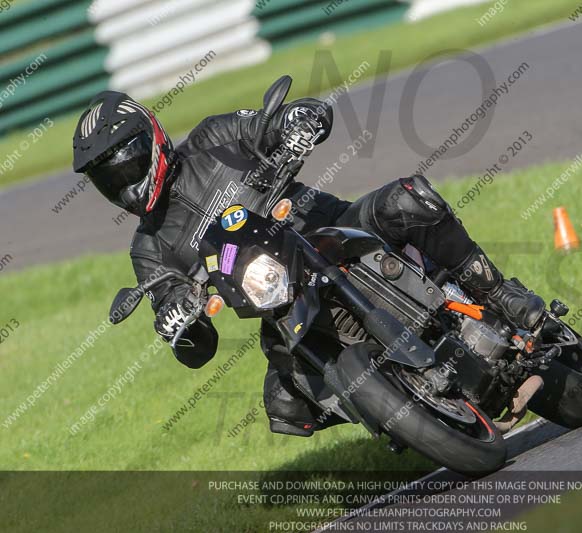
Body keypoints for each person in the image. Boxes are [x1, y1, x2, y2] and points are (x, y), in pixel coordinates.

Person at [72, 87, 545, 437]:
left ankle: (496, 291)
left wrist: (300, 121)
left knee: (408, 200)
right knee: (284, 402)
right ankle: (401, 411)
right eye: (109, 180)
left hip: (334, 230)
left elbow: (285, 119)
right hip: (278, 299)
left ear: (151, 139)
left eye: (127, 168)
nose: (126, 187)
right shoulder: (148, 248)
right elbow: (194, 344)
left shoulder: (214, 137)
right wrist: (179, 323)